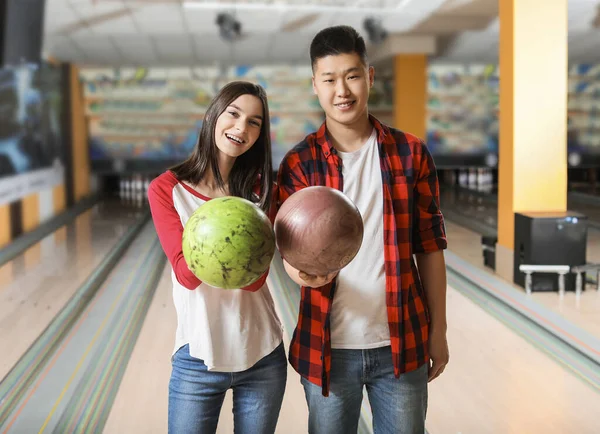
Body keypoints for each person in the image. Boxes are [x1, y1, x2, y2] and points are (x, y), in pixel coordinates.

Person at [277, 25, 449, 434]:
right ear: (315, 86)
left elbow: (430, 248)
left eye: (352, 76)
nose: (343, 90)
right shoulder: (299, 163)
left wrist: (438, 330)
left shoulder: (410, 153)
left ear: (370, 76)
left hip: (401, 344)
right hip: (327, 348)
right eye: (330, 79)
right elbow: (287, 254)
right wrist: (299, 271)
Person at [148, 81, 286, 434]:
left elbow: (255, 280)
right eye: (234, 114)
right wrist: (227, 235)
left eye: (254, 122)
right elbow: (185, 273)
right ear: (213, 116)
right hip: (198, 356)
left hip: (262, 354)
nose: (241, 128)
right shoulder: (167, 189)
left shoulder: (260, 193)